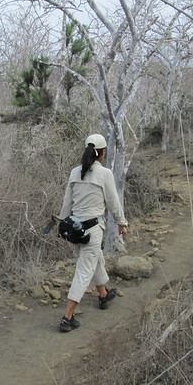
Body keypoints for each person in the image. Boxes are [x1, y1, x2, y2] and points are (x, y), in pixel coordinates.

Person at [58, 133, 128, 332]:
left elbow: (67, 203)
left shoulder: (75, 172)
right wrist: (122, 223)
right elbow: (113, 203)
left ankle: (104, 294)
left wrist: (62, 226)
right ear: (102, 153)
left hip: (75, 229)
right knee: (84, 269)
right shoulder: (104, 174)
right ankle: (67, 317)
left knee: (95, 258)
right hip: (93, 229)